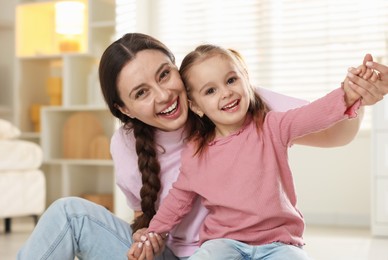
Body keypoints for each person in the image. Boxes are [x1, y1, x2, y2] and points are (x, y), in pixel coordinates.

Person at [16, 33, 387, 260]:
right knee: (69, 213)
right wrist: (149, 240)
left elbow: (330, 129)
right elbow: (162, 213)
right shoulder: (126, 144)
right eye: (141, 93)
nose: (163, 95)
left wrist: (356, 97)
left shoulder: (240, 103)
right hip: (194, 254)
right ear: (124, 110)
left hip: (257, 247)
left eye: (164, 74)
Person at [142, 44, 375, 259]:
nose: (226, 93)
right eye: (210, 90)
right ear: (195, 106)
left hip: (280, 243)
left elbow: (313, 114)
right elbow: (178, 199)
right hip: (223, 242)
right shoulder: (195, 152)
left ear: (246, 79)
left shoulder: (272, 126)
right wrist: (154, 232)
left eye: (231, 80)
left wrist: (349, 93)